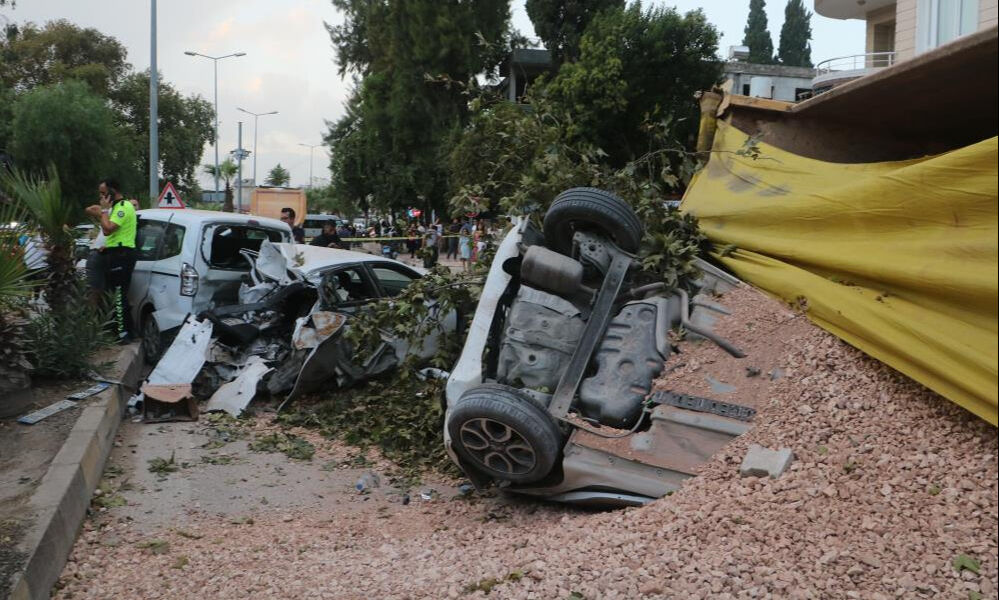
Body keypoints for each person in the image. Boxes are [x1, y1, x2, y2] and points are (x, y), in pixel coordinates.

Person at [85, 178, 137, 342]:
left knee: (119, 296)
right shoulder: (115, 207)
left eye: (103, 193)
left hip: (123, 255)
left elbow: (108, 230)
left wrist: (104, 212)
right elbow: (115, 235)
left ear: (112, 191)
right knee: (113, 294)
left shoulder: (123, 207)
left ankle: (123, 334)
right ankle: (120, 331)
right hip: (114, 253)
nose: (101, 197)